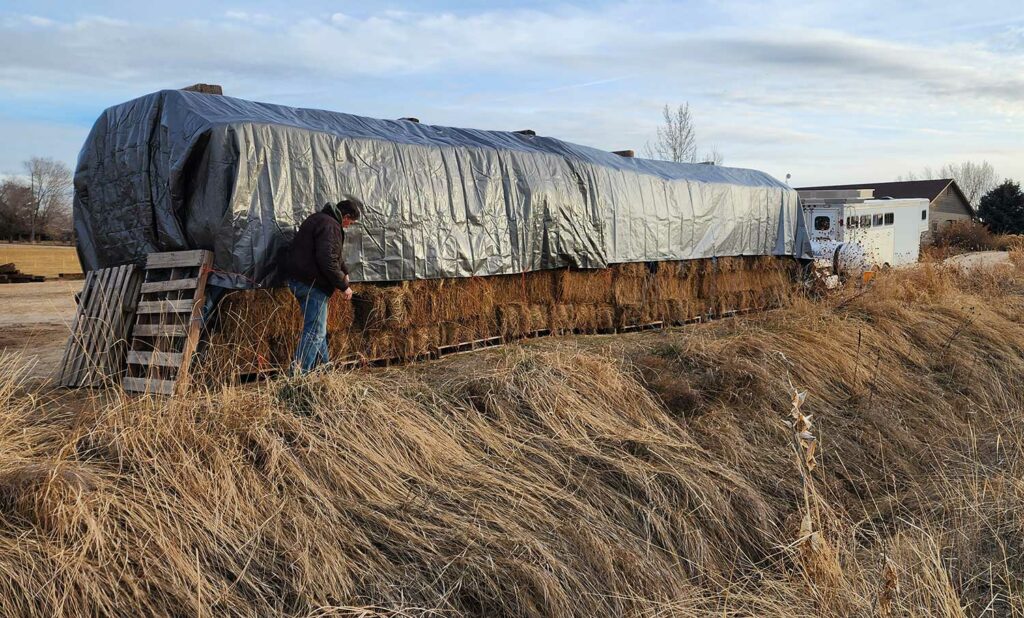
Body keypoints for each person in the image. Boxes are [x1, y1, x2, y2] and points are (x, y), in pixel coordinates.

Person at [283, 199, 361, 373]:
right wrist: (343, 285)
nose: (348, 226)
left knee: (318, 329)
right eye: (350, 222)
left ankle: (324, 370)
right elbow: (327, 260)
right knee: (315, 332)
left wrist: (345, 270)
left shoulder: (320, 219)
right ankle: (296, 376)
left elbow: (334, 254)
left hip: (299, 281)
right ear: (345, 216)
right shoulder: (331, 225)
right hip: (313, 284)